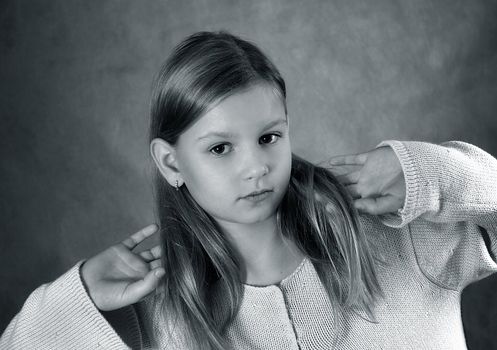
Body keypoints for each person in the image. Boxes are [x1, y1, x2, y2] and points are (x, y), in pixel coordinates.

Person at [1, 31, 497, 350]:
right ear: (171, 162)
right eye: (221, 149)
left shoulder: (403, 235)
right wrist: (79, 292)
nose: (256, 167)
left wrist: (432, 172)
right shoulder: (156, 312)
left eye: (269, 138)